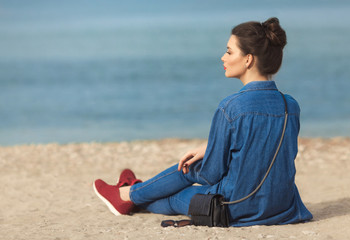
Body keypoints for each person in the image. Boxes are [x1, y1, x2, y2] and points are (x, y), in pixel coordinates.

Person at [93, 17, 313, 227]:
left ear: (248, 59)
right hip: (282, 207)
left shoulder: (231, 107)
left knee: (187, 174)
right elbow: (270, 149)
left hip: (233, 208)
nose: (222, 57)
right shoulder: (290, 106)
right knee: (195, 165)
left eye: (229, 51)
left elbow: (211, 174)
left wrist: (208, 155)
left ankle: (128, 195)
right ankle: (134, 190)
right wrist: (212, 147)